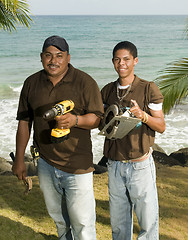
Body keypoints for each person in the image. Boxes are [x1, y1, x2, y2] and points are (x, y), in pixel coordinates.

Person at [12, 35, 104, 240]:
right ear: (41, 57)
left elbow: (97, 118)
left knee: (82, 222)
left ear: (68, 58)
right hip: (45, 162)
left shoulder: (85, 82)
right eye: (48, 55)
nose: (53, 61)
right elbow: (24, 122)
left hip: (77, 164)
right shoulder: (31, 83)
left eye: (59, 56)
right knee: (59, 218)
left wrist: (75, 121)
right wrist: (19, 159)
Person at [100, 41, 165, 240]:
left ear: (135, 61)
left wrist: (142, 115)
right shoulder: (107, 90)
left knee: (148, 224)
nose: (122, 63)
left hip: (140, 165)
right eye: (117, 60)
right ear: (113, 62)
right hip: (114, 165)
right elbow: (100, 122)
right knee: (119, 225)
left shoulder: (148, 88)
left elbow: (161, 126)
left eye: (126, 59)